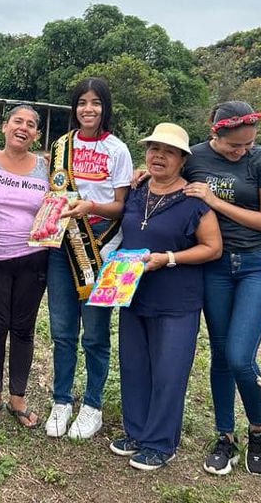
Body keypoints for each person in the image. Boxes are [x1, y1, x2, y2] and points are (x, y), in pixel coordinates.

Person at [108, 123, 222, 470]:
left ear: (182, 160)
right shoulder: (137, 190)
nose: (159, 156)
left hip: (176, 300)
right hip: (134, 293)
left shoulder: (194, 201)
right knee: (134, 366)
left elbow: (213, 248)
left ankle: (160, 443)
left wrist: (169, 258)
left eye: (169, 152)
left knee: (169, 371)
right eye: (154, 149)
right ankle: (136, 432)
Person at [183, 101, 261, 477]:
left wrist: (215, 201)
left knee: (240, 356)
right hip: (217, 264)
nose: (242, 151)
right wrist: (144, 173)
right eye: (233, 146)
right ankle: (224, 435)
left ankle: (258, 430)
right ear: (216, 133)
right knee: (221, 355)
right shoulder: (194, 157)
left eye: (248, 144)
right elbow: (169, 175)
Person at [46, 77, 132, 439]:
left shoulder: (118, 149)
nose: (88, 109)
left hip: (105, 251)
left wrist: (91, 206)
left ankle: (92, 405)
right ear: (74, 107)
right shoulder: (60, 146)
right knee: (62, 331)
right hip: (62, 250)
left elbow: (121, 206)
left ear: (105, 107)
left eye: (96, 102)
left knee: (95, 335)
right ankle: (61, 400)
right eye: (82, 102)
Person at [0, 105, 50, 428]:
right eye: (18, 121)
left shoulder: (46, 167)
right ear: (4, 126)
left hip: (34, 259)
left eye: (31, 124)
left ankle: (18, 397)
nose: (23, 128)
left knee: (23, 328)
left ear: (36, 134)